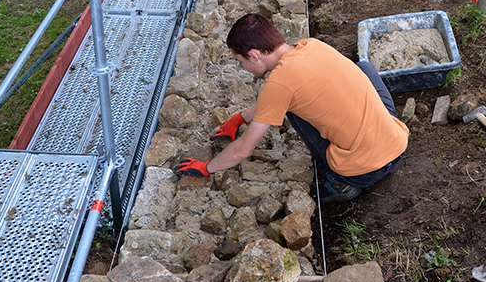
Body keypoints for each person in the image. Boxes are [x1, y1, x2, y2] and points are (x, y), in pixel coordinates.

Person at [175, 13, 409, 205]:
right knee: (365, 68)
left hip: (363, 172)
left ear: (254, 56)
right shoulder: (311, 45)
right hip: (397, 144)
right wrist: (239, 119)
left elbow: (242, 151)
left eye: (241, 61)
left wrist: (207, 167)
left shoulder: (278, 84)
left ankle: (340, 184)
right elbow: (280, 95)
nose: (243, 68)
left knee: (291, 109)